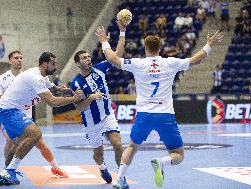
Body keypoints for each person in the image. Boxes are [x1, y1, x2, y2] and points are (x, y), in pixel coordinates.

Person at [95, 26, 224, 188]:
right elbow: (195, 60)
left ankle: (119, 179)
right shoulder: (171, 62)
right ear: (160, 48)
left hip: (144, 115)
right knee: (178, 154)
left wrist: (104, 42)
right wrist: (209, 45)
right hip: (165, 115)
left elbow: (113, 59)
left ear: (145, 48)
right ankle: (162, 162)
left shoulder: (138, 63)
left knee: (132, 146)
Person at [0, 52, 84, 186]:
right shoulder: (35, 77)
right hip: (8, 111)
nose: (56, 66)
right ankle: (10, 171)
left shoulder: (43, 77)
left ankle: (6, 173)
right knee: (35, 134)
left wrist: (70, 91)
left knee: (16, 143)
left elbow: (56, 90)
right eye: (53, 63)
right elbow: (52, 101)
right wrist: (74, 99)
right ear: (44, 64)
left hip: (11, 110)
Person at [69, 21, 127, 186]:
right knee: (98, 154)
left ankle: (121, 178)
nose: (88, 59)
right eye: (84, 58)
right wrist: (91, 97)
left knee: (117, 143)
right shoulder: (76, 83)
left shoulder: (100, 68)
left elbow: (118, 54)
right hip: (91, 122)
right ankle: (101, 167)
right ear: (78, 64)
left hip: (107, 116)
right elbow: (78, 107)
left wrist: (122, 32)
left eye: (88, 56)